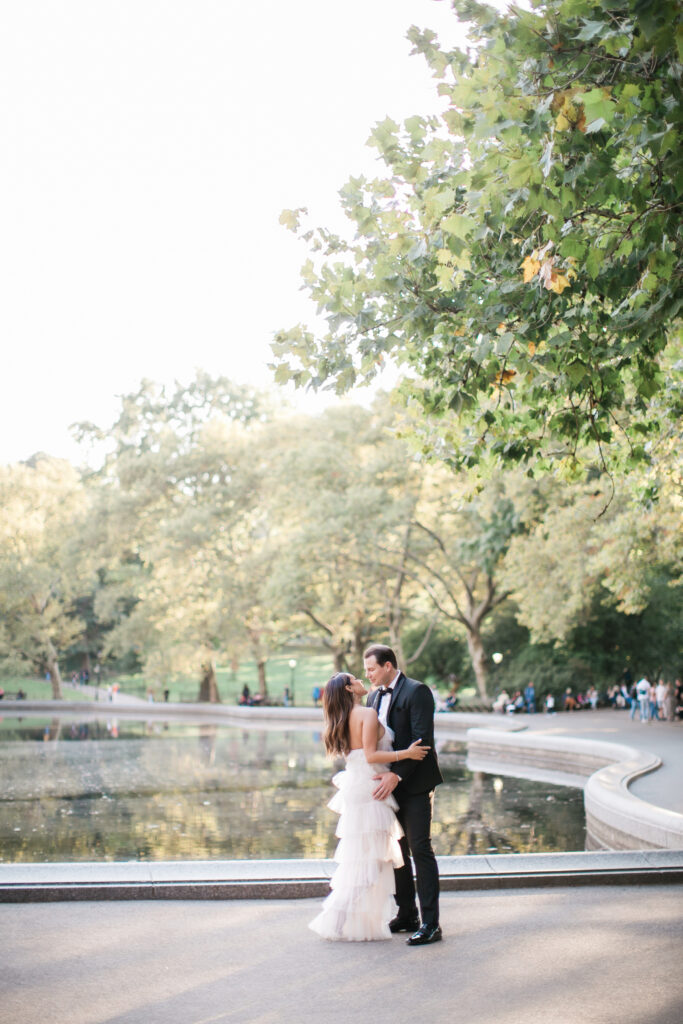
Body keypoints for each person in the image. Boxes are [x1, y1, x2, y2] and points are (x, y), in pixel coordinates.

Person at [309, 671, 429, 942]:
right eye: (356, 679)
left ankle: (339, 917)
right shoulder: (365, 714)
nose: (363, 680)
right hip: (372, 787)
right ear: (350, 689)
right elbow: (372, 754)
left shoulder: (343, 718)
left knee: (363, 857)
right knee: (372, 860)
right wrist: (406, 754)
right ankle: (336, 917)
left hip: (358, 785)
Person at [363, 644, 443, 947]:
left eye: (371, 669)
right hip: (386, 786)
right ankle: (407, 914)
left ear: (387, 665)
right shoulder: (373, 696)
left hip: (415, 785)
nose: (367, 674)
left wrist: (396, 775)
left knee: (420, 849)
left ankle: (431, 924)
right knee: (397, 852)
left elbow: (423, 743)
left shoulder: (417, 691)